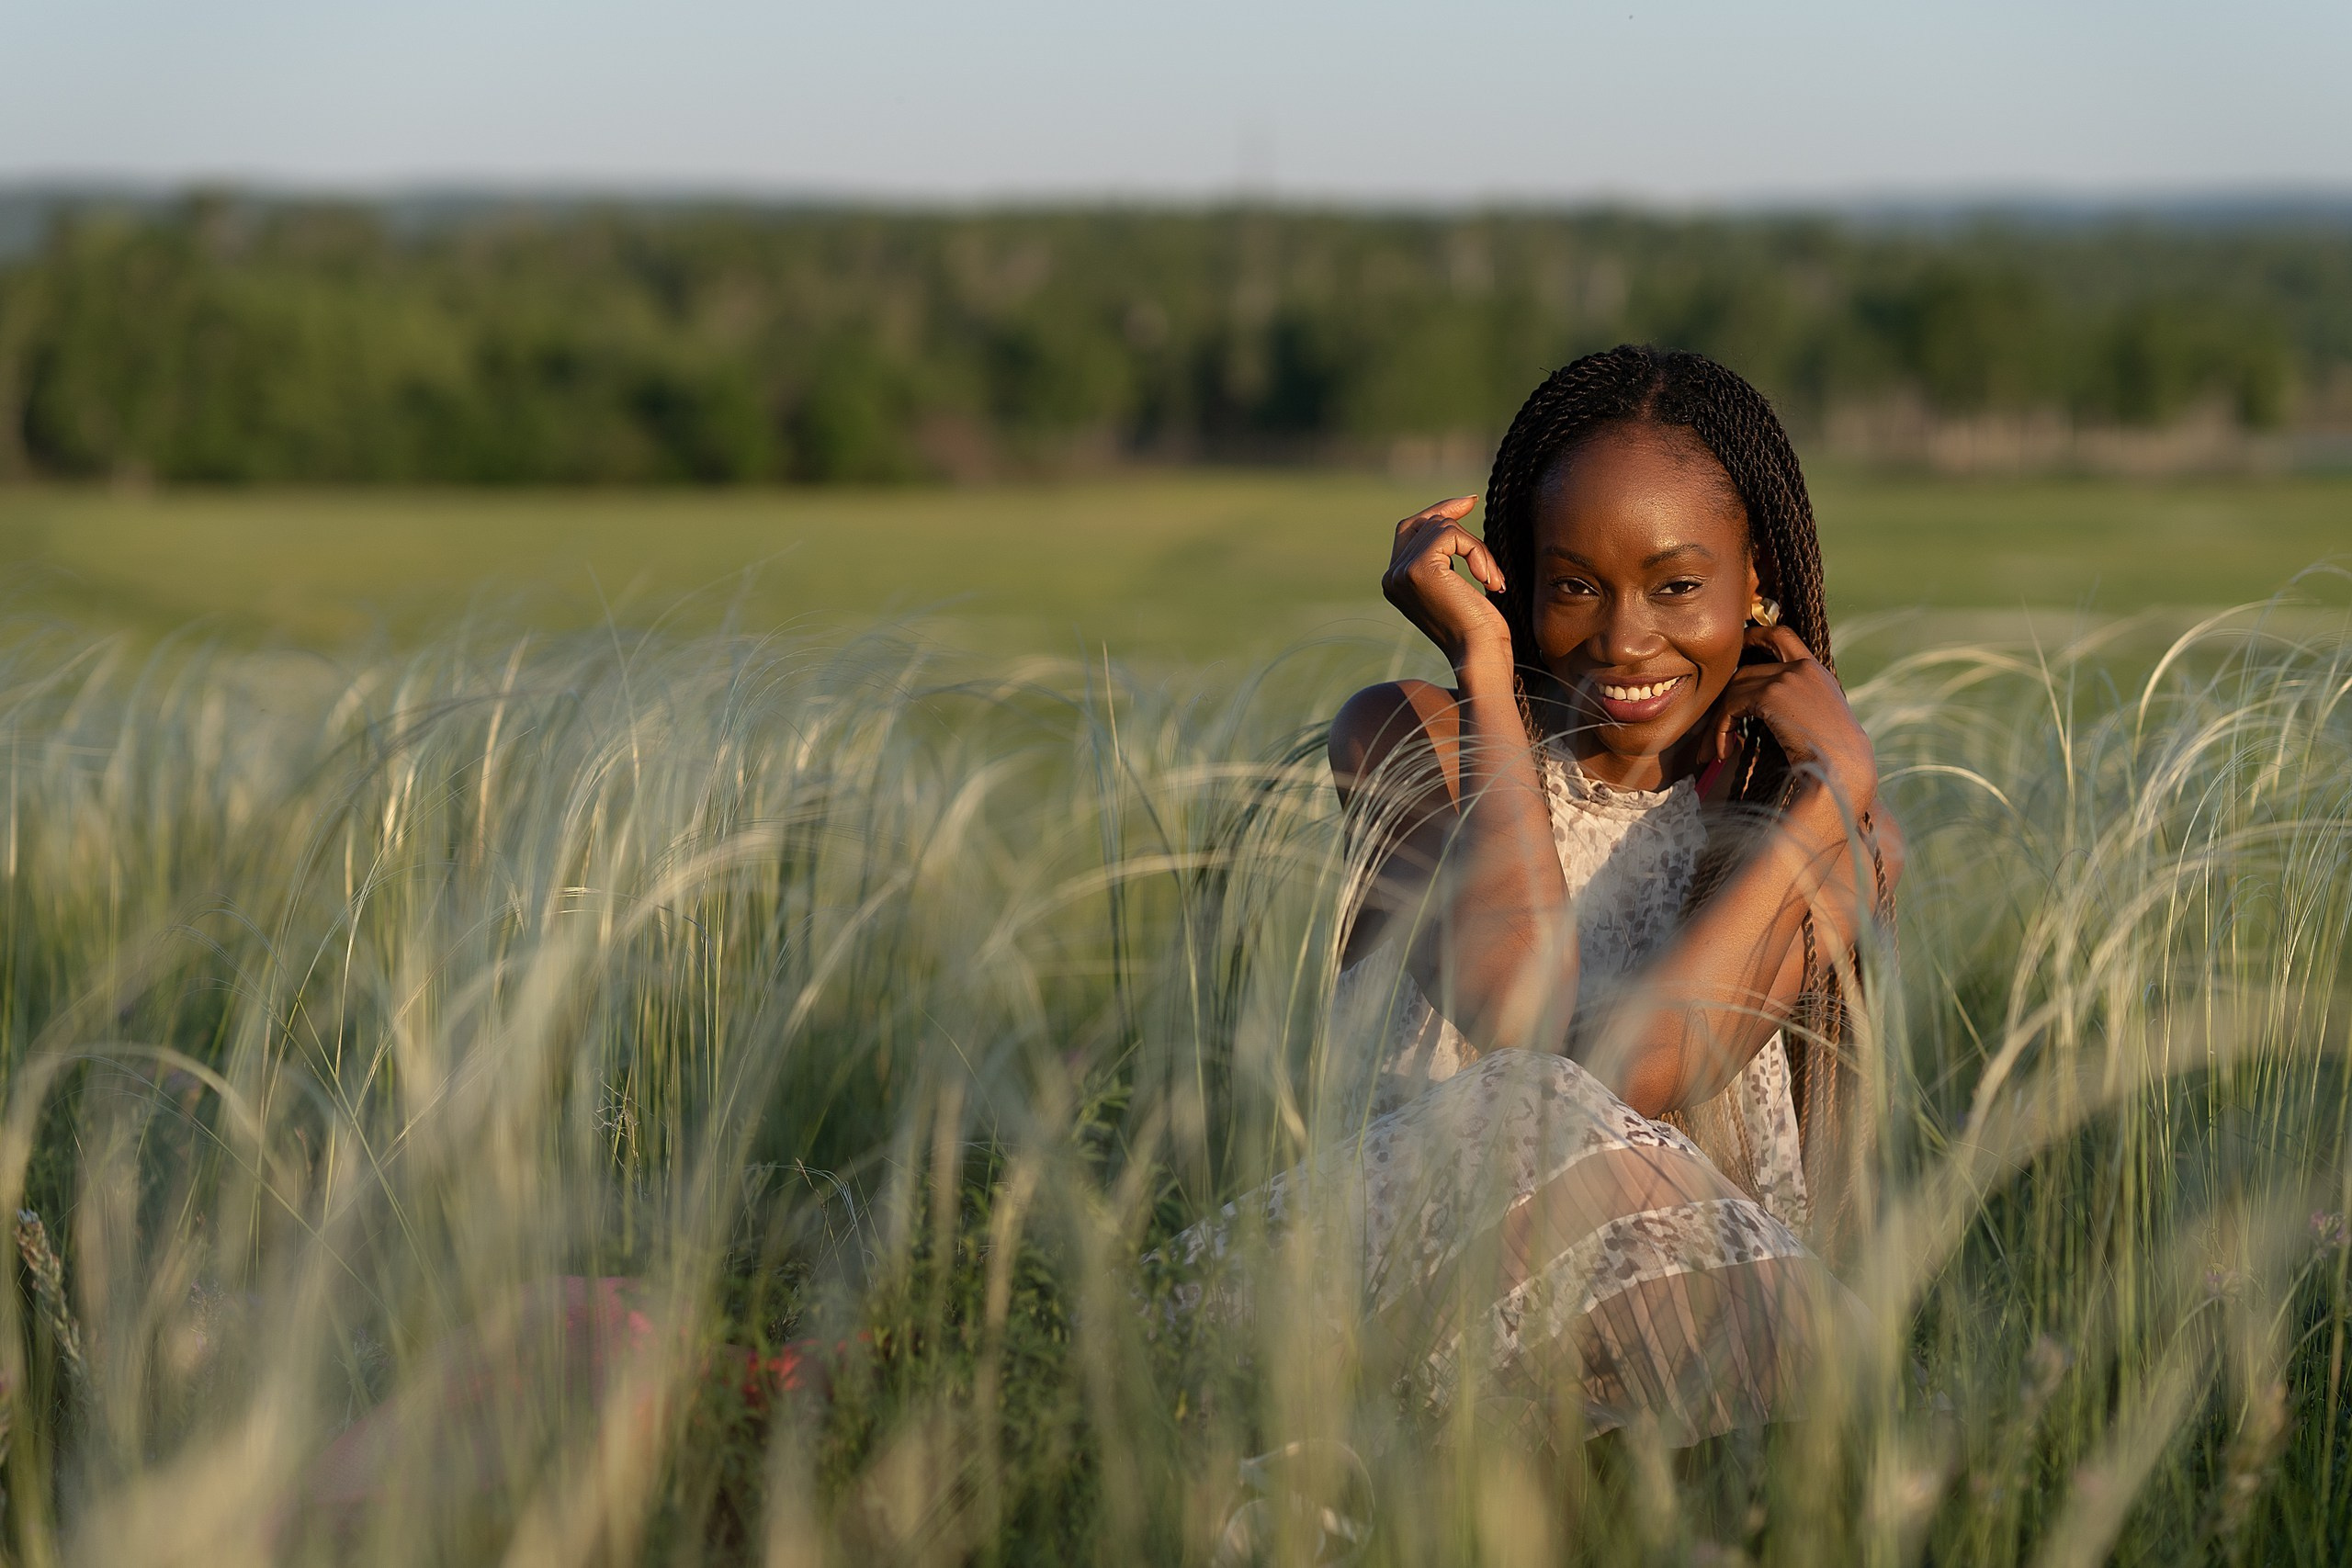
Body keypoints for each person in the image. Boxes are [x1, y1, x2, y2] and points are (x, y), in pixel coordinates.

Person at [1167, 344, 1903, 1451]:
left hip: (1671, 1379)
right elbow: (1543, 1047)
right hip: (1404, 1326)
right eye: (1572, 586)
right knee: (1532, 1109)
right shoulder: (1417, 742)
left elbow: (1677, 1098)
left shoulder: (1807, 835)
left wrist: (1824, 802)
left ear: (1757, 586)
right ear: (1513, 583)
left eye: (1676, 585)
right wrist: (1482, 666)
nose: (1622, 639)